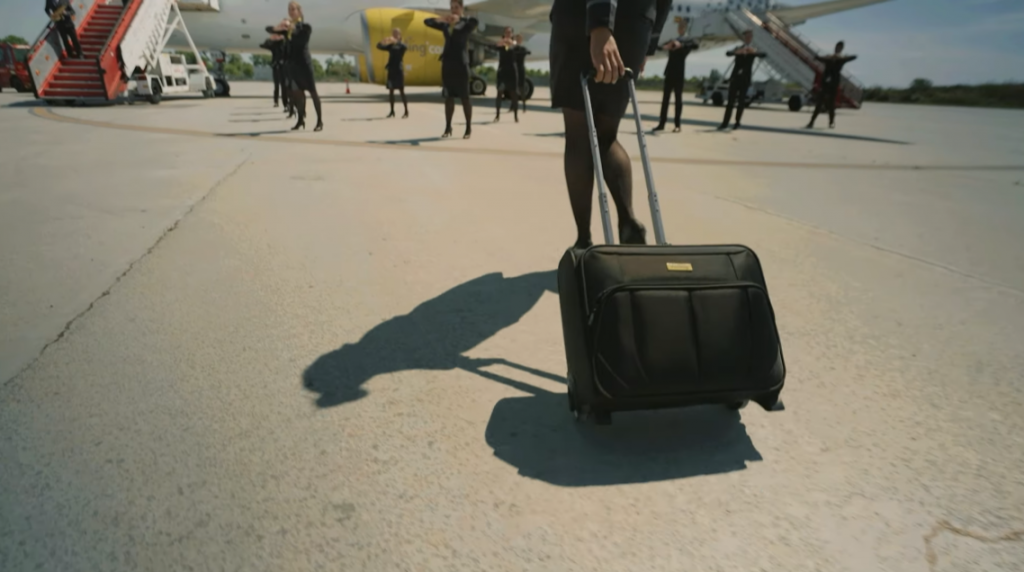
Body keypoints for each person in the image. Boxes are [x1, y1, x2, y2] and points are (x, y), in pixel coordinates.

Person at [549, 0, 672, 249]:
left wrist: (600, 24)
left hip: (584, 14)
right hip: (637, 20)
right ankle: (627, 222)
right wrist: (647, 40)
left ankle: (584, 240)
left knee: (579, 137)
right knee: (606, 135)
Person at [425, 0, 479, 139]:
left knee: (465, 98)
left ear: (461, 8)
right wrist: (444, 19)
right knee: (448, 97)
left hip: (461, 64)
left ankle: (468, 128)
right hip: (448, 64)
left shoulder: (466, 24)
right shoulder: (445, 25)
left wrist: (459, 18)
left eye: (456, 7)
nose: (453, 10)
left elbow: (474, 21)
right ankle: (448, 126)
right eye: (451, 8)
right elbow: (427, 21)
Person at [272, 3, 322, 132]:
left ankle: (319, 121)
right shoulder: (287, 30)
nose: (291, 11)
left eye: (293, 9)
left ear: (299, 11)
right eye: (289, 9)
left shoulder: (305, 27)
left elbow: (301, 38)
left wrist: (290, 27)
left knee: (313, 92)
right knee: (297, 94)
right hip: (293, 66)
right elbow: (269, 30)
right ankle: (300, 120)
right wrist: (279, 26)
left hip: (304, 64)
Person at [653, 17, 698, 133]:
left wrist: (681, 44)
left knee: (678, 100)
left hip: (679, 74)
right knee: (665, 99)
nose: (680, 29)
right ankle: (661, 123)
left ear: (685, 28)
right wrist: (667, 46)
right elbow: (660, 47)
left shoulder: (687, 41)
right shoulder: (672, 40)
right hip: (669, 73)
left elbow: (695, 44)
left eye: (682, 27)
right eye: (679, 27)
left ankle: (677, 124)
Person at [717, 30, 765, 131]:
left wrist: (753, 52)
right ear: (744, 37)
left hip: (745, 79)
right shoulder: (739, 48)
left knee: (741, 102)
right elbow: (728, 53)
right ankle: (725, 123)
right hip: (735, 78)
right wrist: (737, 52)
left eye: (750, 36)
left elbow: (763, 54)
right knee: (730, 102)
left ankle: (737, 122)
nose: (748, 38)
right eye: (746, 36)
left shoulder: (753, 49)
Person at [807, 41, 857, 129]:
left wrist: (842, 57)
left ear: (841, 49)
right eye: (837, 47)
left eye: (839, 47)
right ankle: (811, 122)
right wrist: (818, 57)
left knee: (831, 105)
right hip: (825, 83)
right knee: (819, 103)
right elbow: (820, 58)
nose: (837, 48)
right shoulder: (828, 58)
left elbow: (854, 57)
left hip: (834, 84)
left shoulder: (841, 59)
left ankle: (831, 122)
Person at [377, 28, 409, 118]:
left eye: (396, 34)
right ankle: (392, 111)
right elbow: (378, 46)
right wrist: (384, 41)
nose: (394, 35)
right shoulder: (390, 46)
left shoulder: (401, 46)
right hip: (391, 70)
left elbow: (405, 47)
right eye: (393, 34)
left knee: (401, 91)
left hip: (399, 70)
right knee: (391, 91)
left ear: (400, 36)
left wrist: (396, 41)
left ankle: (406, 111)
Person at [490, 27, 519, 123]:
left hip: (512, 71)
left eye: (509, 32)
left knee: (513, 94)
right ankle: (497, 115)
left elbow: (518, 49)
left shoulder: (514, 44)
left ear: (512, 34)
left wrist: (511, 43)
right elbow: (493, 47)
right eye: (506, 32)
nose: (507, 34)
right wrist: (500, 43)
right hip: (502, 71)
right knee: (499, 92)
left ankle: (515, 115)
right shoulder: (501, 44)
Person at [260, 35, 290, 110]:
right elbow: (263, 45)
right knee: (276, 86)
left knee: (284, 87)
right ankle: (276, 101)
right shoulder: (274, 45)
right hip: (276, 67)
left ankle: (286, 104)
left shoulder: (286, 44)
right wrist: (270, 39)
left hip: (284, 68)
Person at [513, 33, 531, 114]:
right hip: (514, 69)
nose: (517, 40)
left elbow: (528, 52)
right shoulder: (512, 48)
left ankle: (524, 106)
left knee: (522, 88)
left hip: (520, 69)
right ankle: (513, 106)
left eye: (519, 39)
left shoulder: (523, 49)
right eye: (516, 39)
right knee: (513, 89)